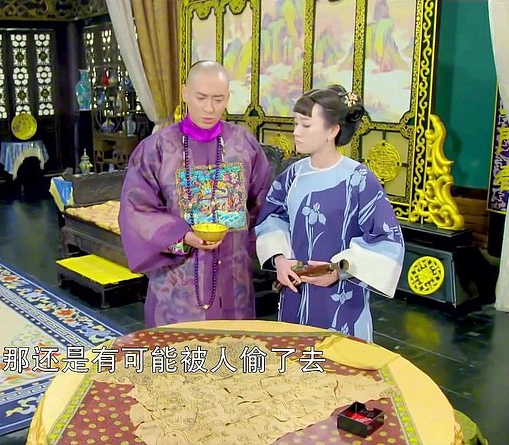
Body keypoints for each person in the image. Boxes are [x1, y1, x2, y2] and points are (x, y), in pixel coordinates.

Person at [118, 60, 273, 328]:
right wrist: (181, 236)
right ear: (185, 93)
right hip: (178, 282)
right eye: (201, 98)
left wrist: (244, 241)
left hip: (233, 278)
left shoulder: (244, 144)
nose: (209, 108)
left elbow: (263, 202)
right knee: (180, 349)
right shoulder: (158, 148)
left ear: (228, 98)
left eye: (218, 99)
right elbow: (137, 209)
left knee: (233, 347)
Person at [254, 85, 405, 342]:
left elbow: (387, 240)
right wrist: (279, 259)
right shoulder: (293, 175)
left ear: (332, 130)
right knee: (296, 352)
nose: (296, 132)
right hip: (295, 288)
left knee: (341, 357)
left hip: (341, 294)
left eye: (306, 125)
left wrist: (339, 269)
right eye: (296, 123)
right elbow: (272, 217)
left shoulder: (359, 179)